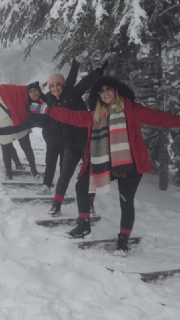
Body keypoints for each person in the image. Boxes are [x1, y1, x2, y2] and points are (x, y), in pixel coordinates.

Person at [29, 76, 180, 257]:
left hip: (130, 165)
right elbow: (70, 116)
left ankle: (123, 241)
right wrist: (48, 110)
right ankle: (84, 225)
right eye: (102, 91)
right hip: (105, 162)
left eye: (109, 89)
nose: (105, 93)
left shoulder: (132, 110)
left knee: (125, 202)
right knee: (82, 186)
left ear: (116, 91)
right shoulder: (95, 116)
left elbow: (158, 118)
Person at [46, 60, 108, 217]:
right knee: (65, 173)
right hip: (69, 144)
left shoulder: (72, 94)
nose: (55, 88)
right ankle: (56, 204)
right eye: (52, 86)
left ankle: (90, 204)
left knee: (89, 174)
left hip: (86, 141)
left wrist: (97, 72)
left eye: (58, 85)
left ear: (63, 85)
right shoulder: (51, 102)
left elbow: (84, 83)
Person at [0, 81, 64, 194]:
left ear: (39, 91)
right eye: (30, 92)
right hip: (51, 139)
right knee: (50, 162)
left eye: (35, 90)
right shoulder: (33, 112)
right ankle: (46, 186)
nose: (33, 93)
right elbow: (19, 127)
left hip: (66, 136)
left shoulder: (50, 99)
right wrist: (1, 131)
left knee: (64, 164)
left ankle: (62, 187)